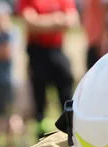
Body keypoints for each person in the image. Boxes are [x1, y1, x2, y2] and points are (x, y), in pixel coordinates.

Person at [19, 0, 79, 138]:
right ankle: (42, 135)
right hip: (37, 51)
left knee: (66, 92)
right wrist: (58, 20)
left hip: (57, 50)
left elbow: (72, 20)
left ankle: (70, 132)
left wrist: (43, 22)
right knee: (39, 97)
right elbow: (31, 23)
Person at [0, 3, 25, 147]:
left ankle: (12, 143)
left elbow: (6, 53)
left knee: (11, 113)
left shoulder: (13, 32)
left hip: (10, 80)